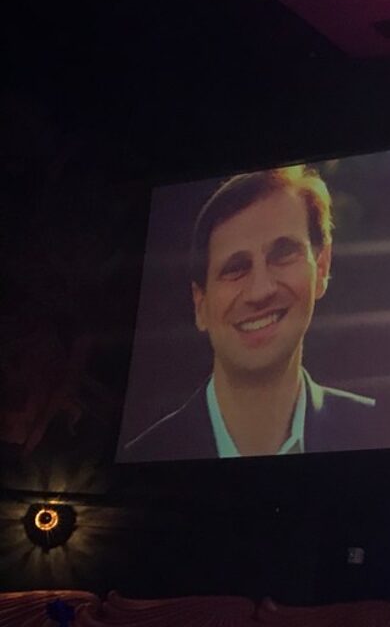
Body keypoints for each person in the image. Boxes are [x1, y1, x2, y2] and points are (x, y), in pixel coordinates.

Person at [124, 166, 375, 460]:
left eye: (283, 254)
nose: (261, 291)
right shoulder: (144, 456)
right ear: (200, 304)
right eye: (235, 268)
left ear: (322, 268)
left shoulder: (380, 427)